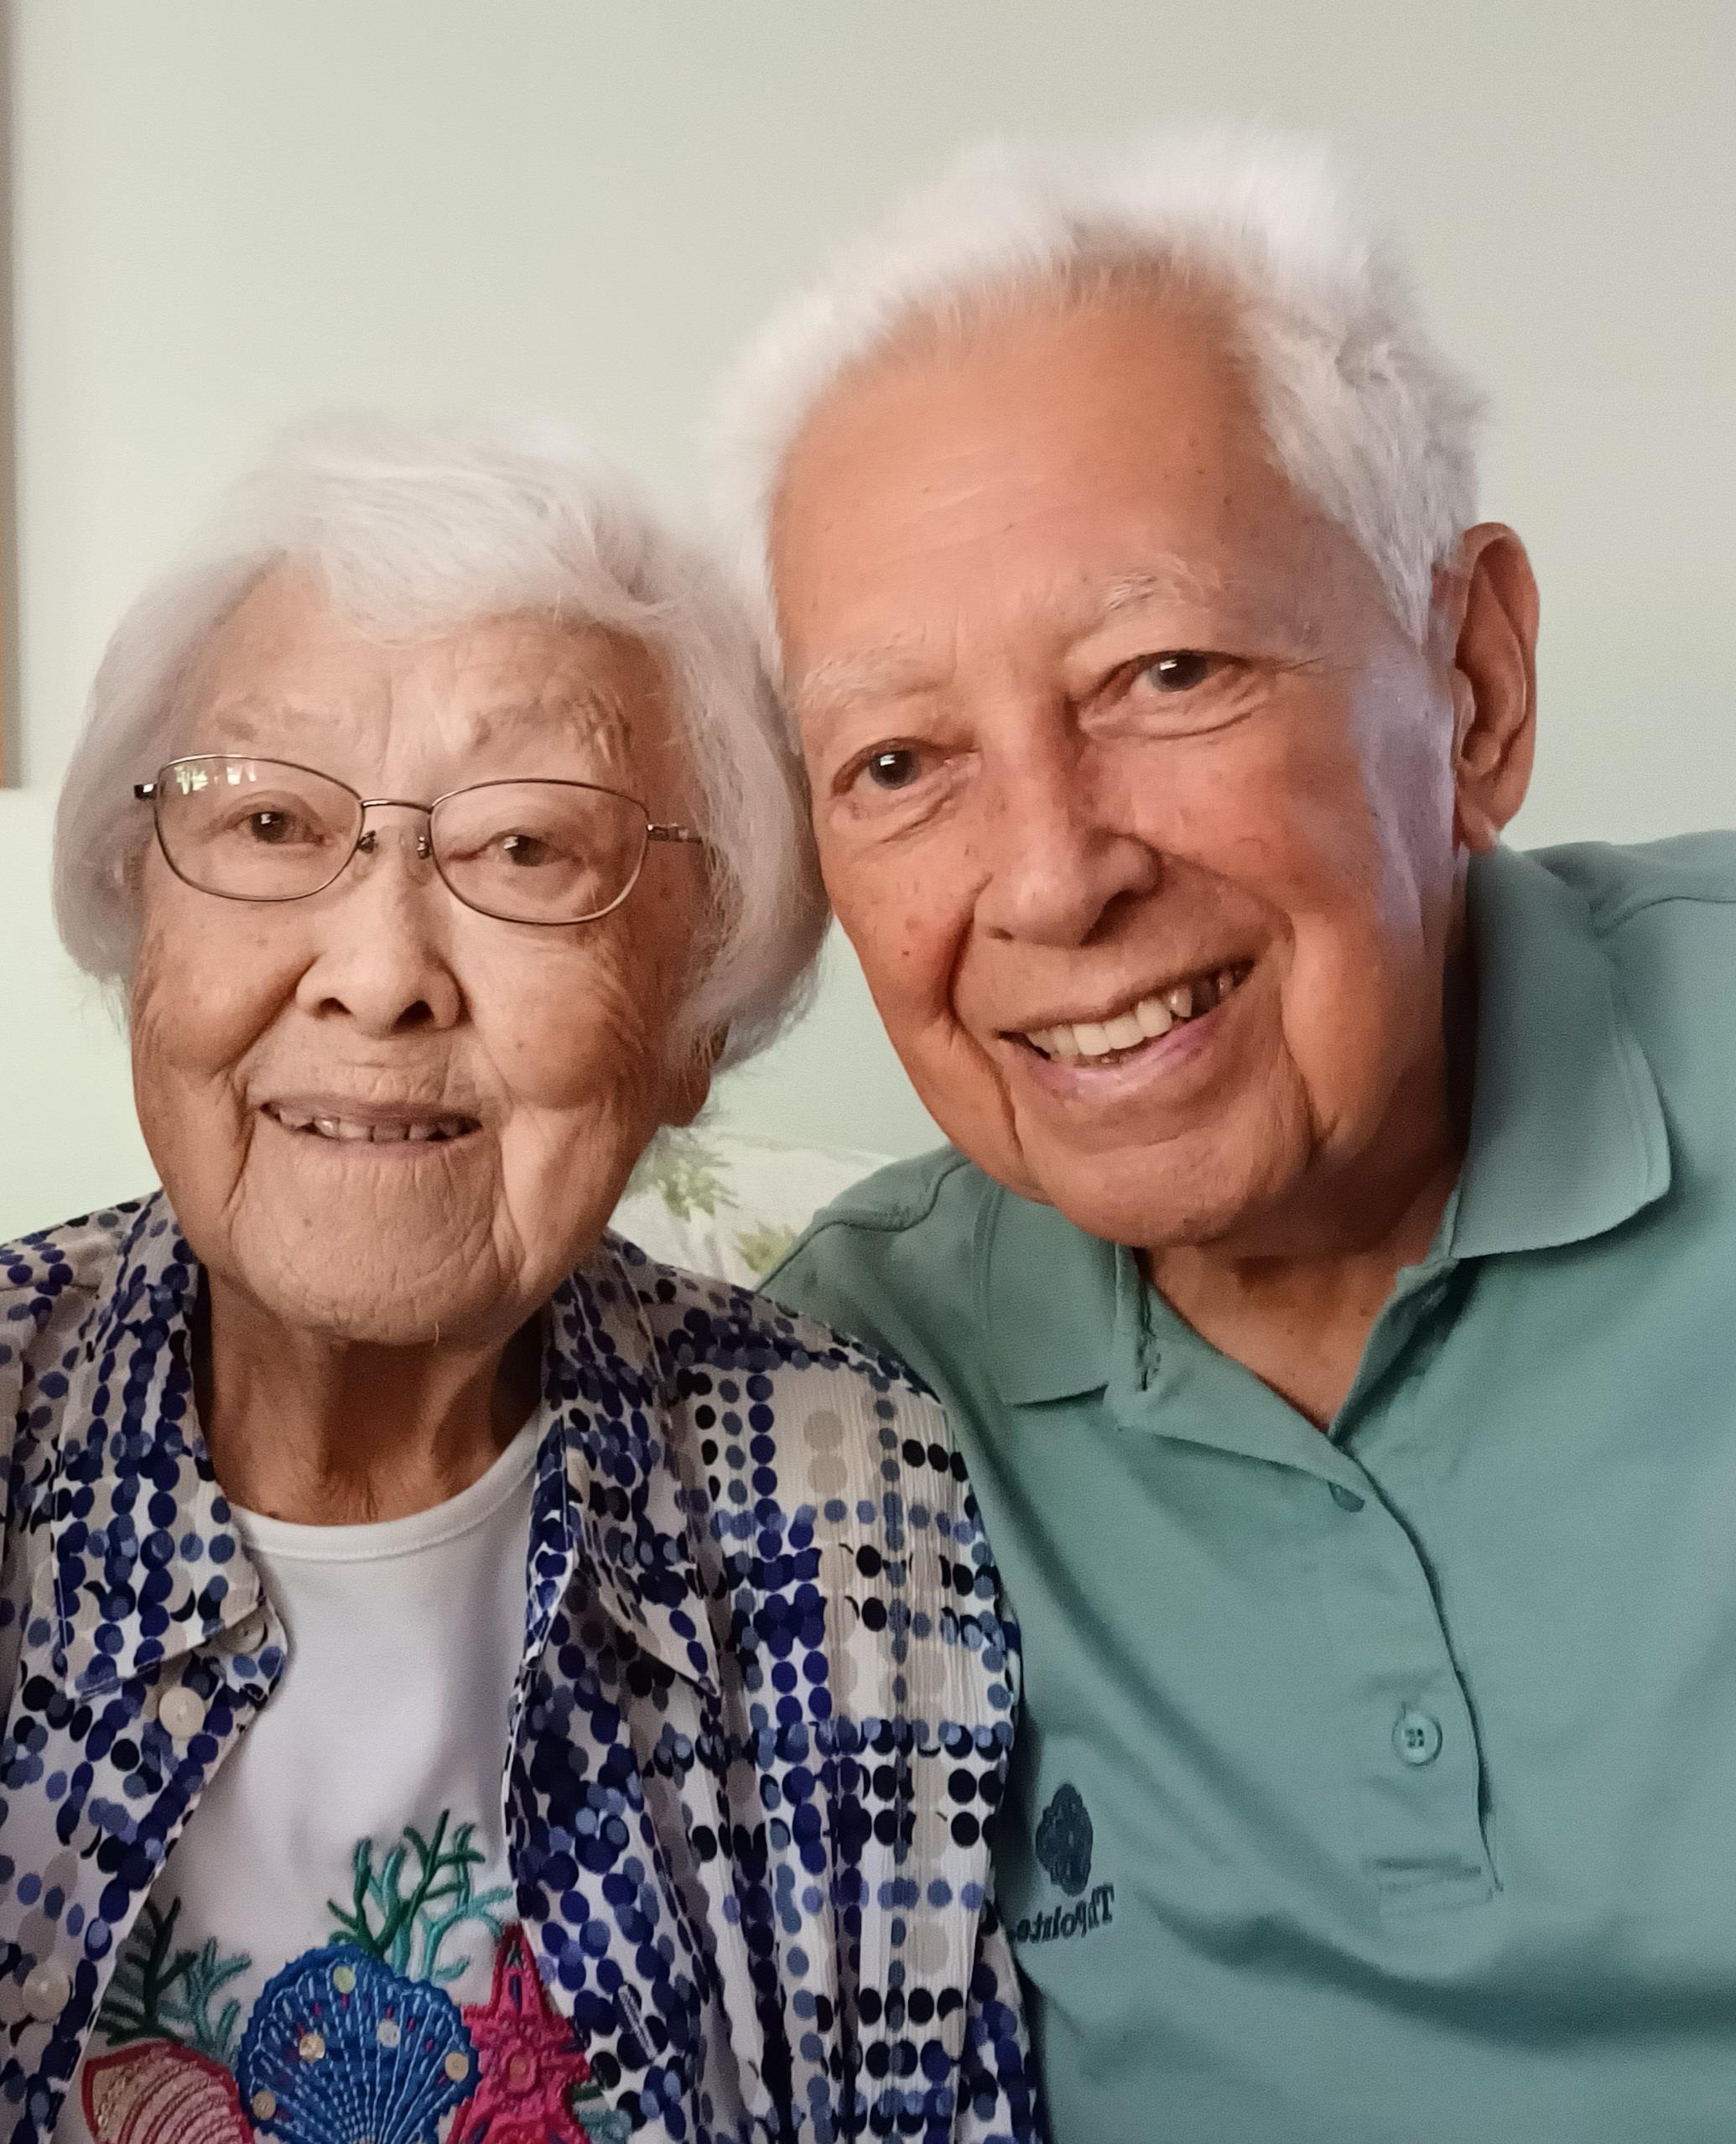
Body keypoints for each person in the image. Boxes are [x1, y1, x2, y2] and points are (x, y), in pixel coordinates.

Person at [717, 126, 1736, 2142]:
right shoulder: (848, 1405)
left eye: (1164, 672)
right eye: (900, 761)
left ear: (1475, 682)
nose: (1051, 877)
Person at [0, 420, 1037, 2144]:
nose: (382, 973)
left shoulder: (858, 1505)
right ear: (138, 921)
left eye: (530, 853)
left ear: (696, 1016)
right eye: (268, 819)